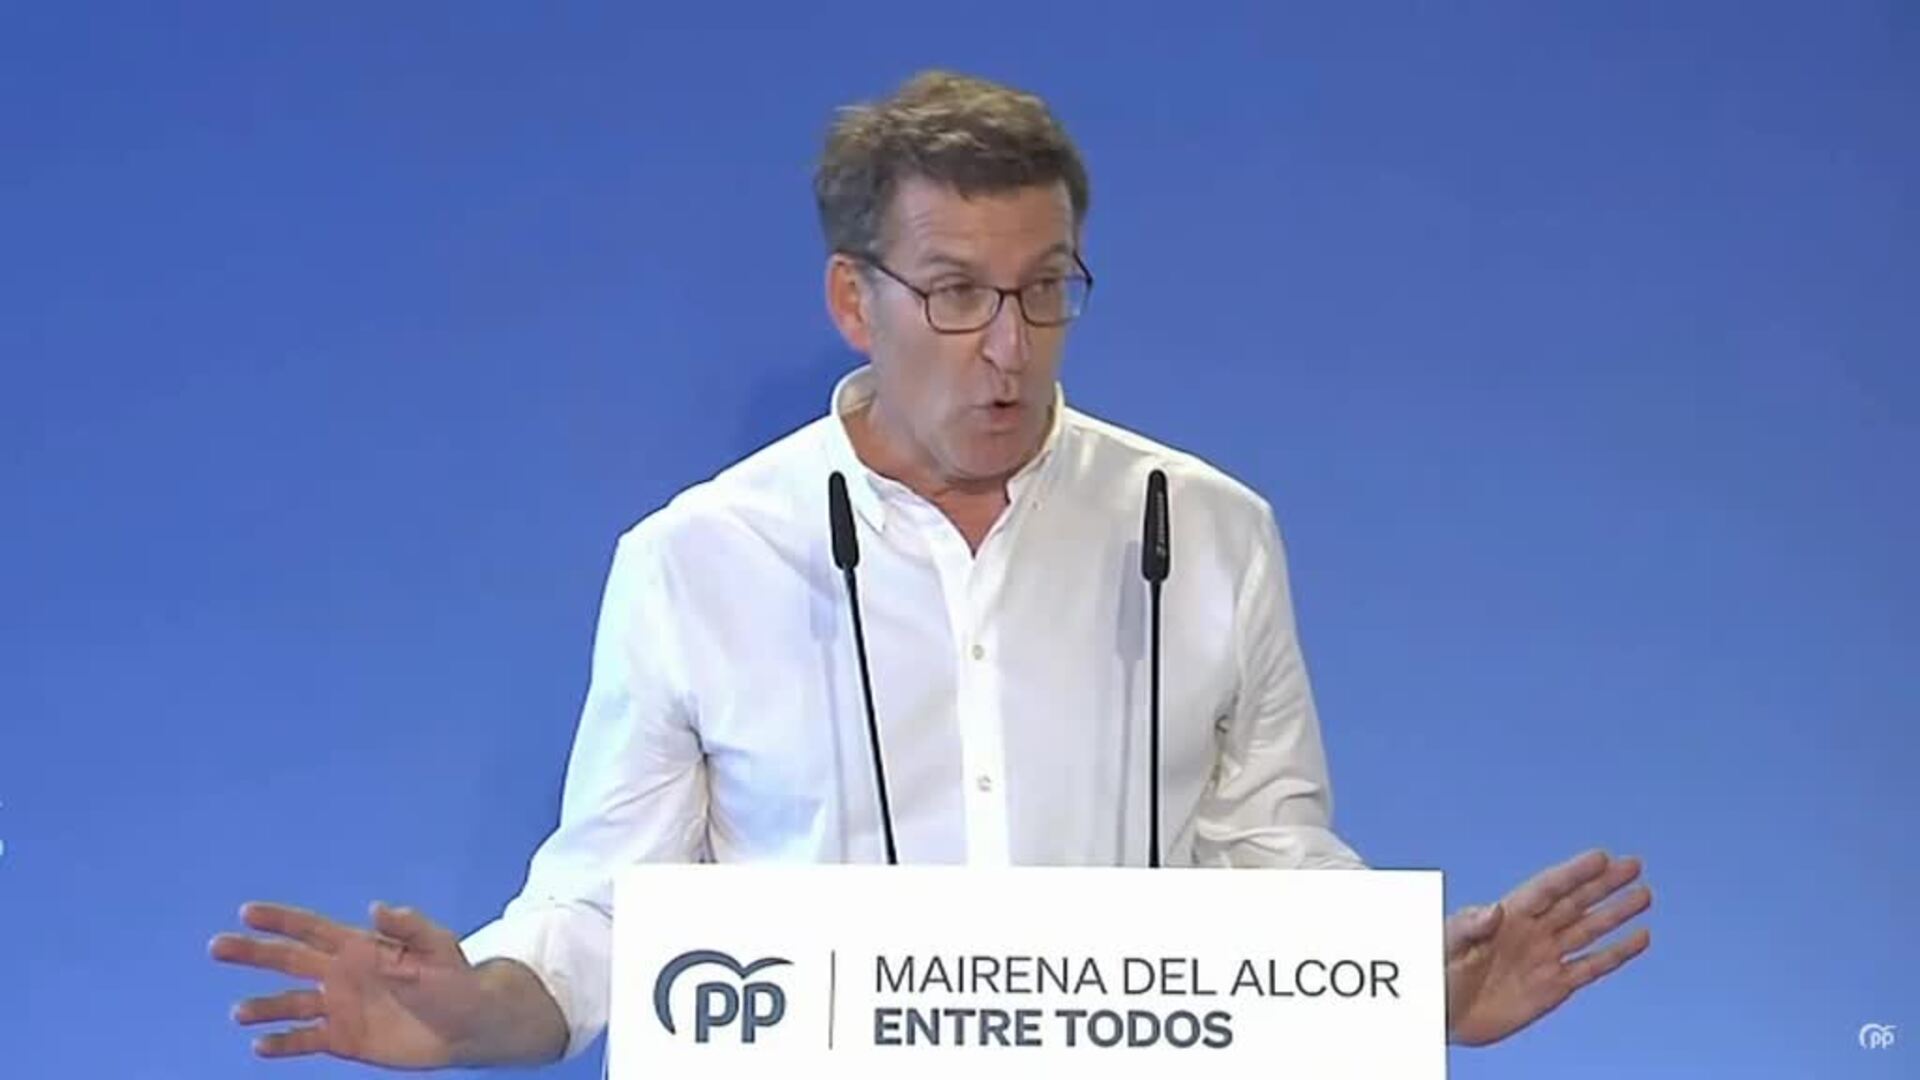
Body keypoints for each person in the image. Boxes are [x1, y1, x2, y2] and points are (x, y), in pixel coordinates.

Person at [209, 69, 1653, 1069]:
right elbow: (602, 921)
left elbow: (1269, 862)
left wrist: (1407, 988)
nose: (1011, 347)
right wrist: (478, 1012)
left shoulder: (1210, 531)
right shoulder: (697, 562)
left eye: (1045, 289)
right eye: (958, 294)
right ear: (857, 300)